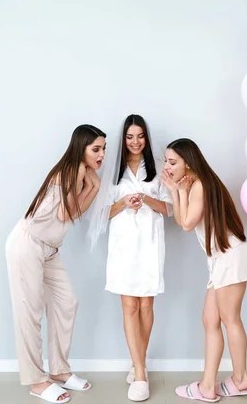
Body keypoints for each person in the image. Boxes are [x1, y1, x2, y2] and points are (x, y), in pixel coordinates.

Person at [5, 124, 106, 404]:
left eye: (103, 149)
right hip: (28, 244)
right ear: (80, 148)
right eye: (95, 149)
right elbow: (66, 214)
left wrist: (94, 186)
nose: (101, 155)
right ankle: (37, 382)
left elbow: (69, 214)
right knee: (30, 312)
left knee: (67, 302)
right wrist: (93, 187)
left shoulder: (81, 173)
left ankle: (59, 370)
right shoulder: (73, 170)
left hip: (49, 249)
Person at [161, 138, 247, 402]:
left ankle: (240, 380)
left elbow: (188, 223)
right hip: (221, 260)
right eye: (166, 162)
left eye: (172, 162)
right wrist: (176, 190)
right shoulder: (194, 185)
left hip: (231, 258)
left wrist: (178, 190)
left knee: (230, 319)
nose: (167, 167)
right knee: (210, 320)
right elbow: (183, 221)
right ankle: (208, 384)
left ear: (188, 163)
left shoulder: (201, 185)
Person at [87, 114, 172, 402]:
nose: (135, 142)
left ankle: (139, 365)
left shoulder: (159, 169)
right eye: (129, 136)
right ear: (123, 139)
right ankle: (139, 373)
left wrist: (145, 199)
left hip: (149, 242)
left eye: (140, 136)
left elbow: (170, 209)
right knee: (129, 305)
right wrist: (123, 202)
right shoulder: (111, 172)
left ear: (147, 138)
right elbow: (101, 214)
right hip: (123, 244)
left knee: (146, 302)